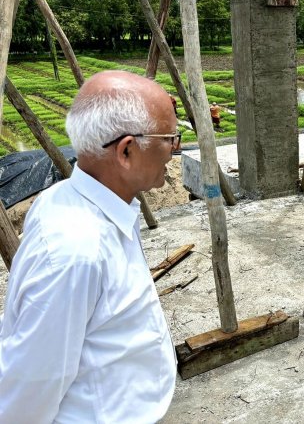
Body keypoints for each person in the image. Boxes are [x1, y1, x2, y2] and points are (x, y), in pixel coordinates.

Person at [0, 71, 179, 422]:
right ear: (127, 150)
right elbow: (28, 388)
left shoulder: (76, 199)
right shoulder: (76, 250)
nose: (177, 149)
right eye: (170, 138)